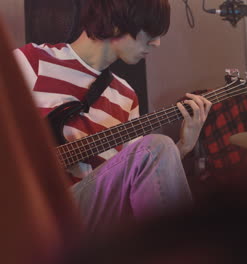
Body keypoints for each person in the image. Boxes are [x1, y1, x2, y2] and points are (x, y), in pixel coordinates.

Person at [13, 0, 212, 234]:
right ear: (117, 23)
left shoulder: (126, 96)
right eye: (150, 32)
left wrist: (183, 147)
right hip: (29, 211)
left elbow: (140, 174)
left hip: (91, 225)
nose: (157, 43)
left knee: (157, 146)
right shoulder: (31, 62)